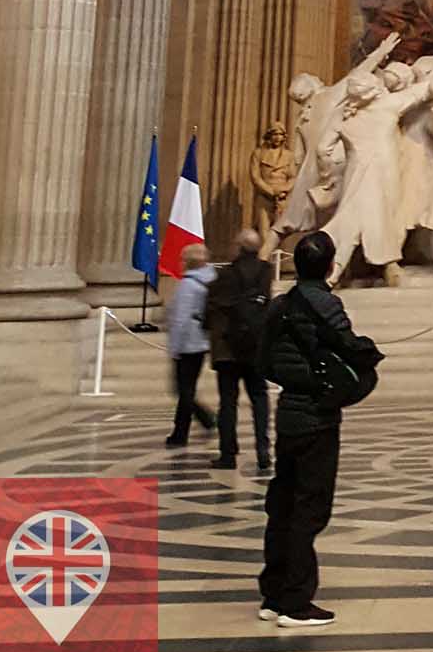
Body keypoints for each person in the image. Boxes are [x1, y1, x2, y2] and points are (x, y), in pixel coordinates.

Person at [257, 229, 383, 631]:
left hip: (288, 411)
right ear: (330, 265)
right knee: (309, 508)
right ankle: (296, 601)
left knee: (283, 502)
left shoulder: (279, 306)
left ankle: (273, 596)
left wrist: (293, 380)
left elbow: (263, 361)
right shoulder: (326, 304)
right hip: (317, 415)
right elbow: (347, 346)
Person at [206, 227, 273, 474]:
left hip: (228, 351)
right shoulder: (266, 273)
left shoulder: (225, 275)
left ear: (239, 247)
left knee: (228, 403)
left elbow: (211, 309)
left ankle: (228, 453)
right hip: (256, 347)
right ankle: (263, 450)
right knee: (259, 399)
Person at [163, 241, 217, 449]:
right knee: (187, 389)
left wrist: (174, 347)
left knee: (182, 390)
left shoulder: (188, 285)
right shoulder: (211, 280)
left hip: (187, 343)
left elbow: (181, 319)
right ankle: (184, 428)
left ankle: (193, 424)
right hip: (201, 341)